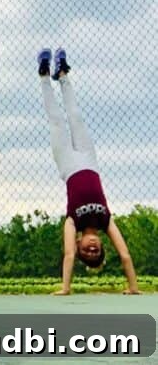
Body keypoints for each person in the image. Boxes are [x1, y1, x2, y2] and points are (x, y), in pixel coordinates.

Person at [37, 47, 140, 295]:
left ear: (79, 243)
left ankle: (43, 76)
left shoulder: (72, 221)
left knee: (57, 122)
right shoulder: (106, 220)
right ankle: (62, 74)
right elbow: (125, 255)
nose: (91, 247)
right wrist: (133, 287)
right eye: (96, 250)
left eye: (87, 251)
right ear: (103, 244)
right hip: (89, 160)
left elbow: (68, 254)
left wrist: (65, 288)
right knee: (76, 117)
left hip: (68, 165)